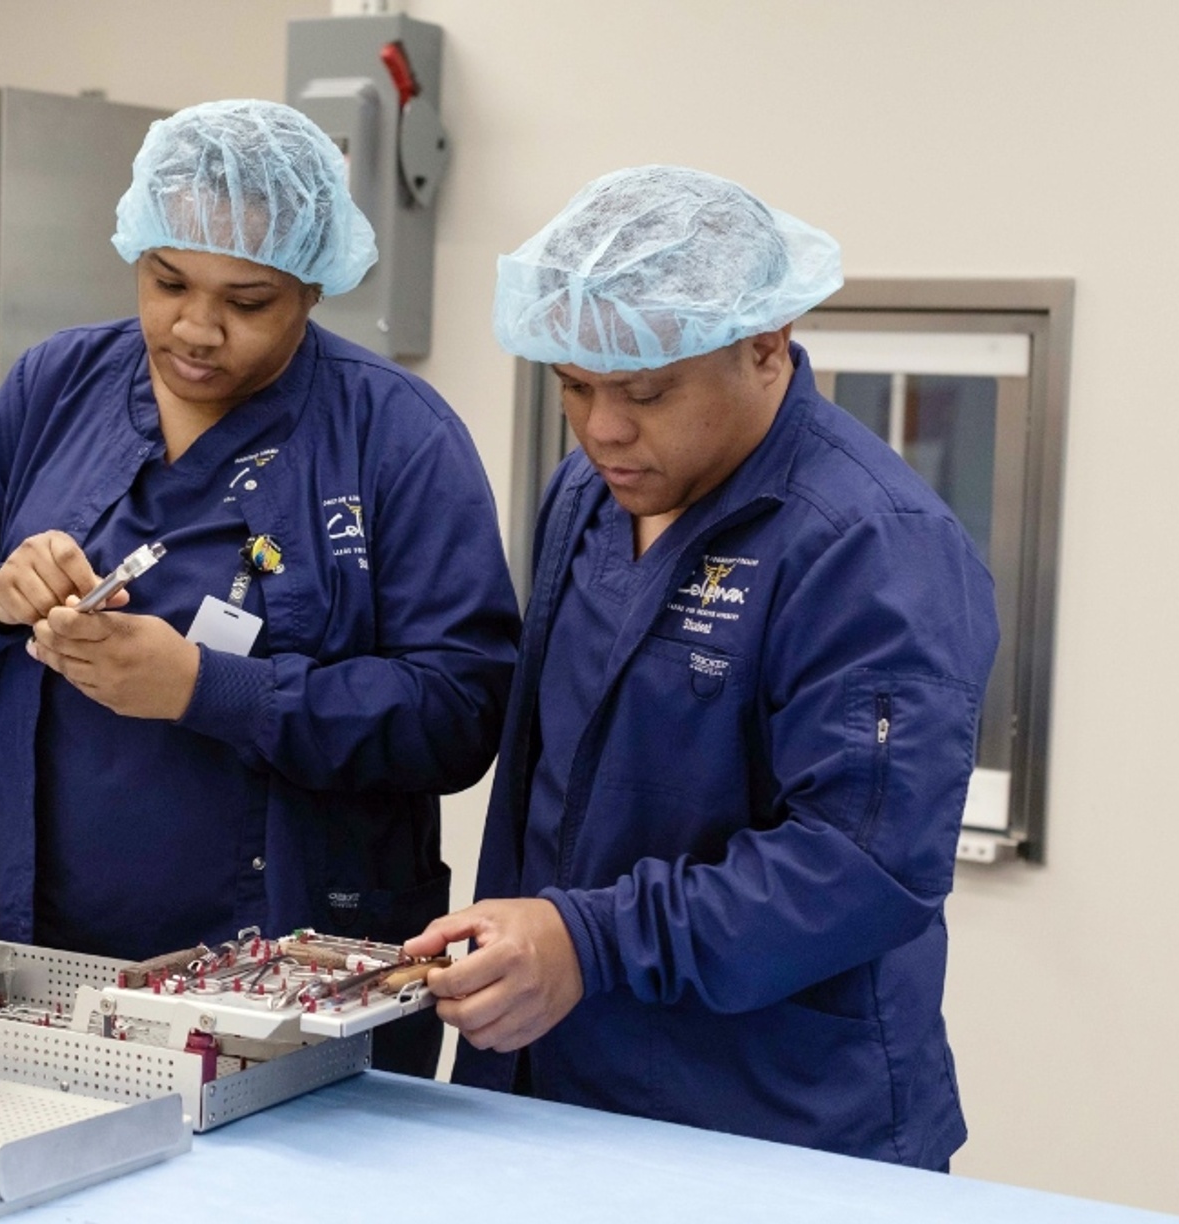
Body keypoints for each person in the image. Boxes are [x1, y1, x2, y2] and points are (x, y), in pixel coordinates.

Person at [0, 99, 519, 1074]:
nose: (194, 327)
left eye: (246, 300)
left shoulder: (393, 436)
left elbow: (459, 710)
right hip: (41, 966)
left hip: (294, 987)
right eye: (166, 280)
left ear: (313, 286)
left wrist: (202, 689)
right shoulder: (56, 386)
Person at [407, 165, 999, 1168]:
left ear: (764, 347)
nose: (601, 428)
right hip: (556, 1087)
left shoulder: (868, 544)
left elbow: (860, 867)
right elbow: (542, 780)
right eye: (573, 386)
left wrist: (586, 942)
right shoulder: (589, 495)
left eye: (643, 391)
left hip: (776, 1120)